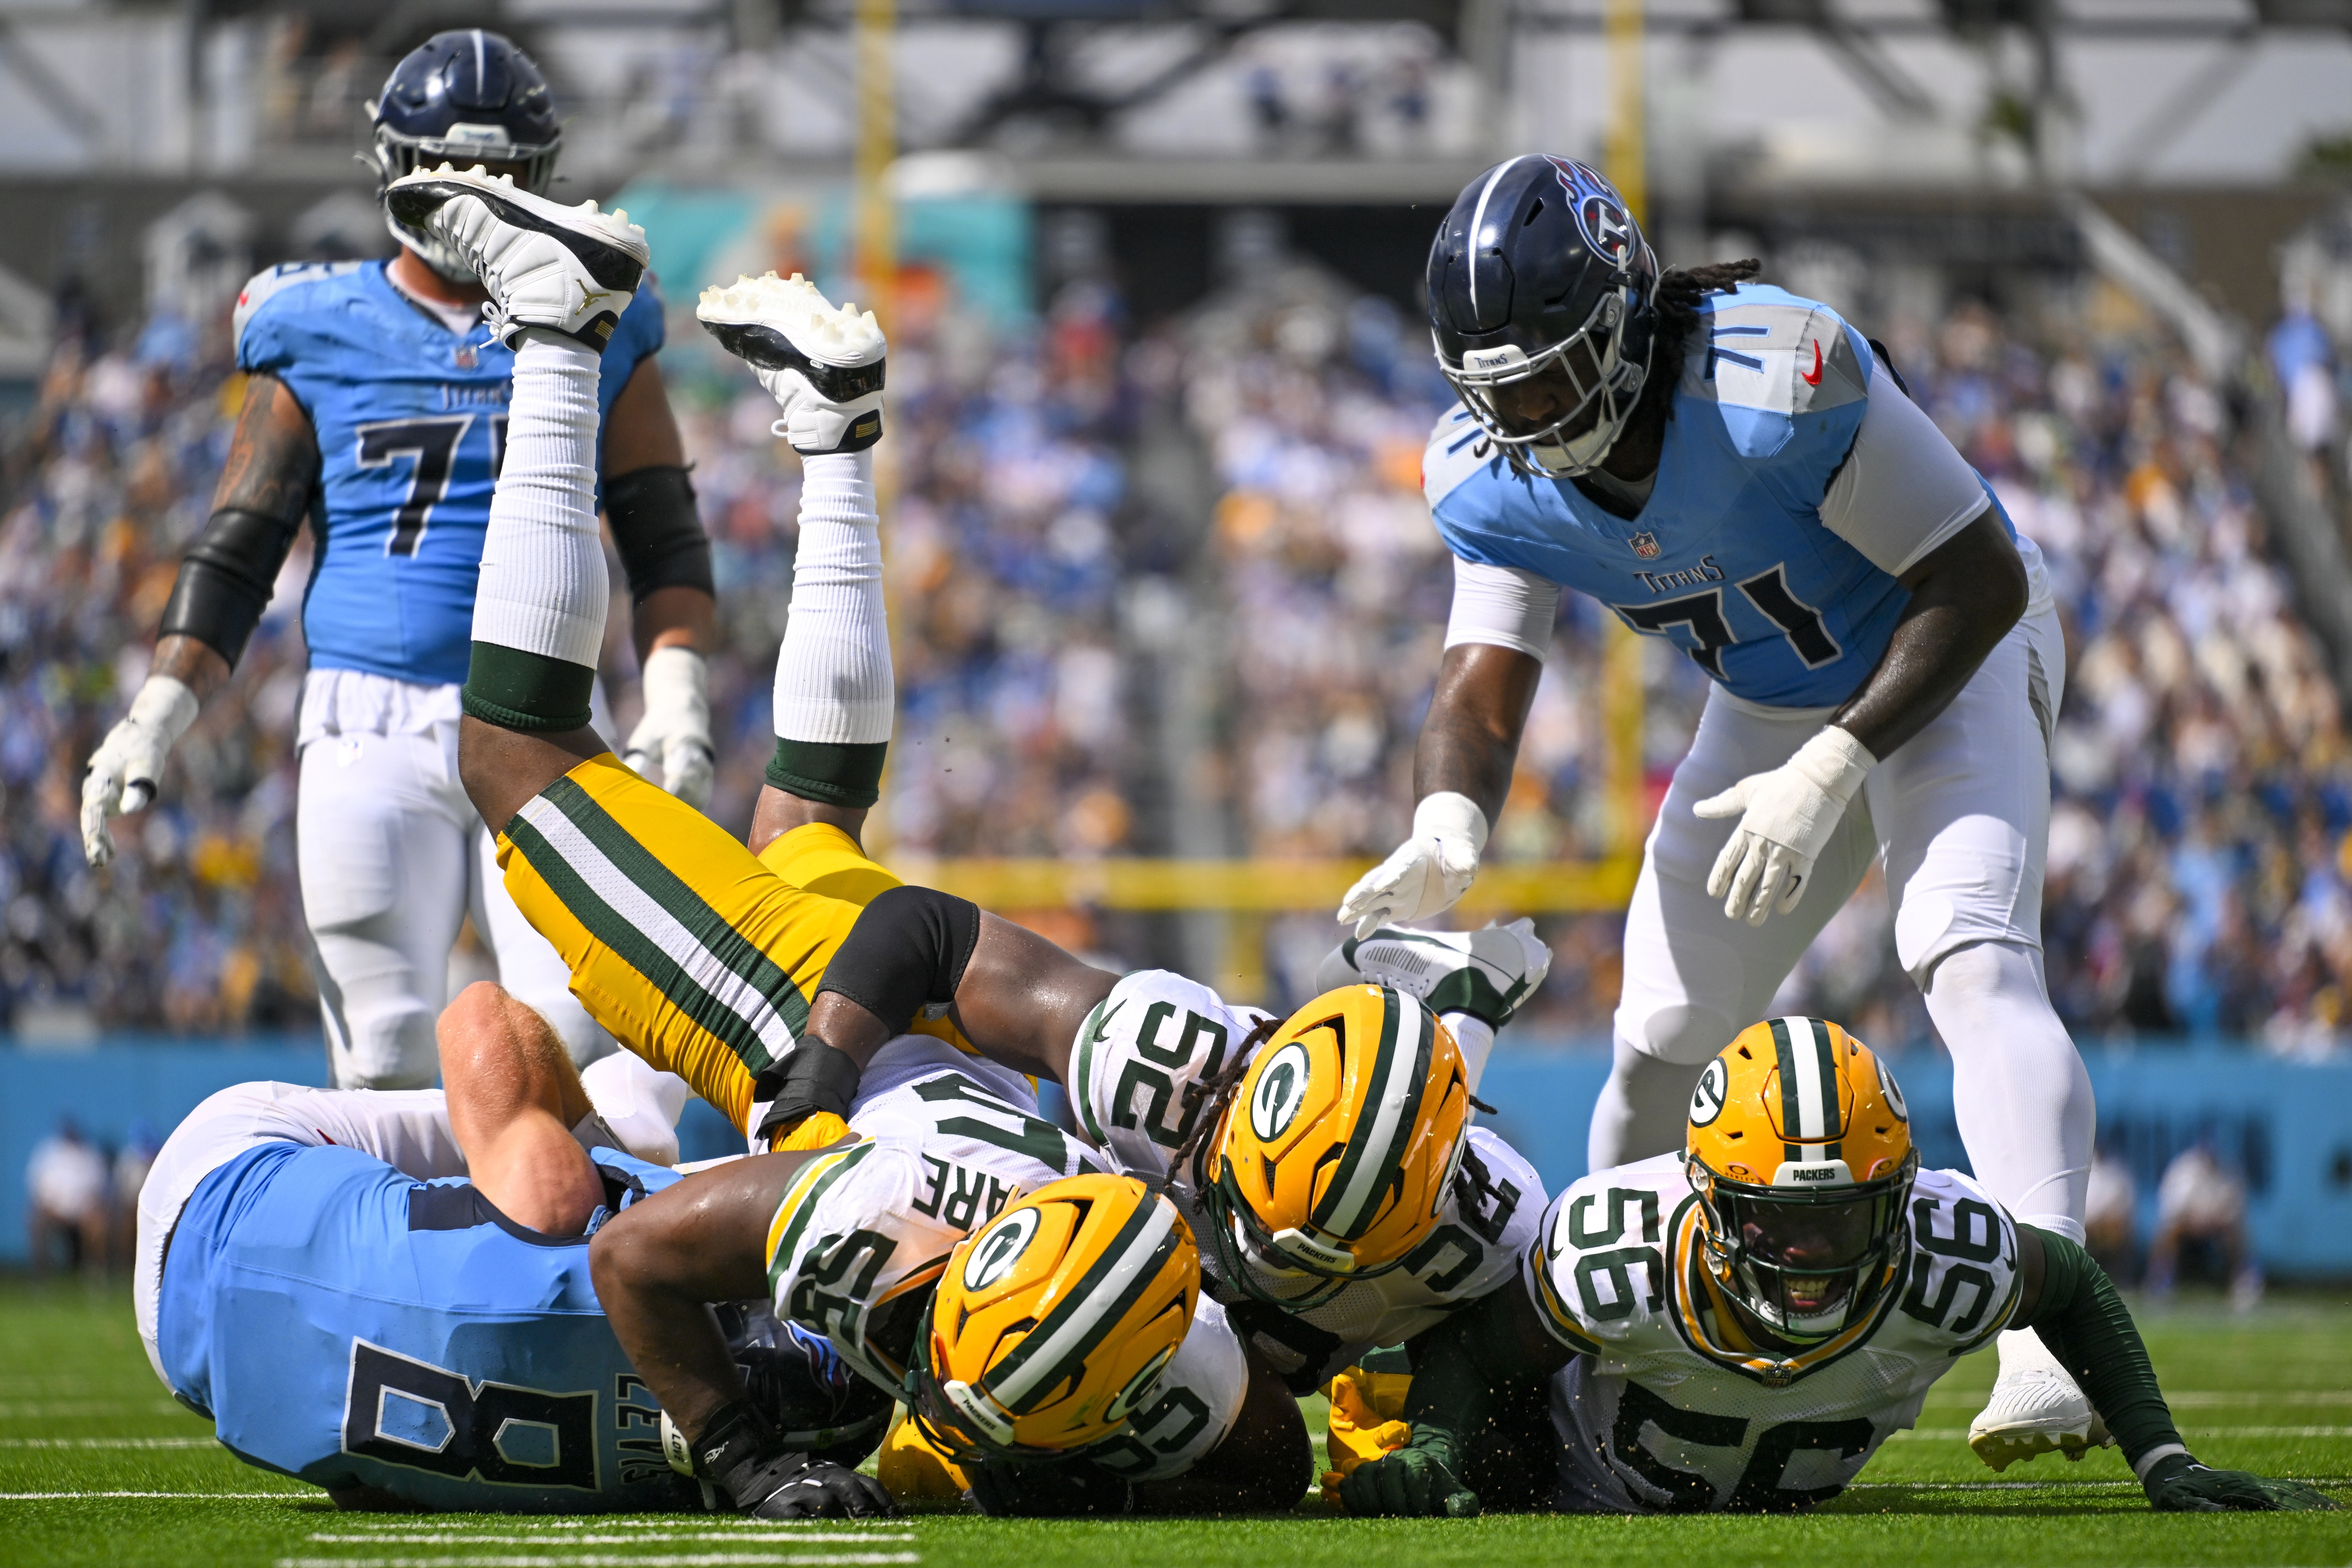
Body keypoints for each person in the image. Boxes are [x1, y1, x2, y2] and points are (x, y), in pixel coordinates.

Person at [367, 167, 1325, 1518]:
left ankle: (832, 435)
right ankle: (558, 326)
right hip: (775, 1000)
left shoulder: (1171, 1327)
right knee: (515, 751)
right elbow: (634, 1258)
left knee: (808, 821)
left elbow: (1266, 1454)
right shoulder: (883, 1221)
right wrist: (749, 1462)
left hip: (895, 1026)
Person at [1337, 154, 2098, 1466]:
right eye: (1495, 386)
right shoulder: (1484, 471)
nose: (1526, 411)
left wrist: (1837, 762)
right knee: (1658, 1036)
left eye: (1548, 370)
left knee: (1965, 956)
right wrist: (1447, 818)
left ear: (1624, 317)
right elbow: (1483, 667)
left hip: (1947, 646)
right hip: (1769, 700)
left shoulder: (1772, 385)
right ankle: (1588, 1357)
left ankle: (2047, 1343)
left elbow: (1971, 575)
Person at [79, 29, 717, 1089]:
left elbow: (665, 536)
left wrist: (680, 697)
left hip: (548, 714)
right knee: (383, 1056)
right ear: (395, 173)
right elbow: (243, 540)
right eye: (460, 177)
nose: (485, 203)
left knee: (581, 1040)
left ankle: (560, 1250)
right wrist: (158, 707)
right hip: (370, 718)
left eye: (508, 177)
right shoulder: (316, 320)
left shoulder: (605, 313)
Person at [1329, 1018, 2335, 1516]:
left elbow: (2069, 1283)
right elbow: (1476, 1346)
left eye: (1843, 1221)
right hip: (1562, 1474)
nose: (1808, 1256)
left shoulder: (1946, 1249)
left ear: (1897, 1195)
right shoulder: (1616, 1252)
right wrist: (1438, 1443)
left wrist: (2163, 1460)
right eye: (1776, 1223)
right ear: (1706, 1200)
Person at [134, 982, 891, 1513]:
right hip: (203, 1368)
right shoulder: (647, 1483)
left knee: (592, 1163)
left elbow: (476, 1016)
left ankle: (622, 1136)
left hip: (226, 1176)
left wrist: (591, 1155)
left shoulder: (553, 1209)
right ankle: (621, 1141)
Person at [2146, 1138, 2262, 1311]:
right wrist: (2196, 1222)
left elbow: (2235, 1211)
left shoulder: (2229, 1174)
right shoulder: (2183, 1171)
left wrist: (2214, 1221)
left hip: (2216, 1228)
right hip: (2187, 1227)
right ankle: (2161, 1282)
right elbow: (2174, 1213)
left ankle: (2244, 1283)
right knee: (2170, 1233)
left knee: (2236, 1234)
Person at [27, 1117, 109, 1275]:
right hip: (54, 1211)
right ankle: (42, 1274)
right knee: (36, 1220)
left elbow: (98, 1189)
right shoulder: (48, 1153)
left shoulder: (89, 1154)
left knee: (98, 1223)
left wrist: (87, 1207)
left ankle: (95, 1273)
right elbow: (37, 1188)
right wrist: (51, 1207)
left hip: (83, 1212)